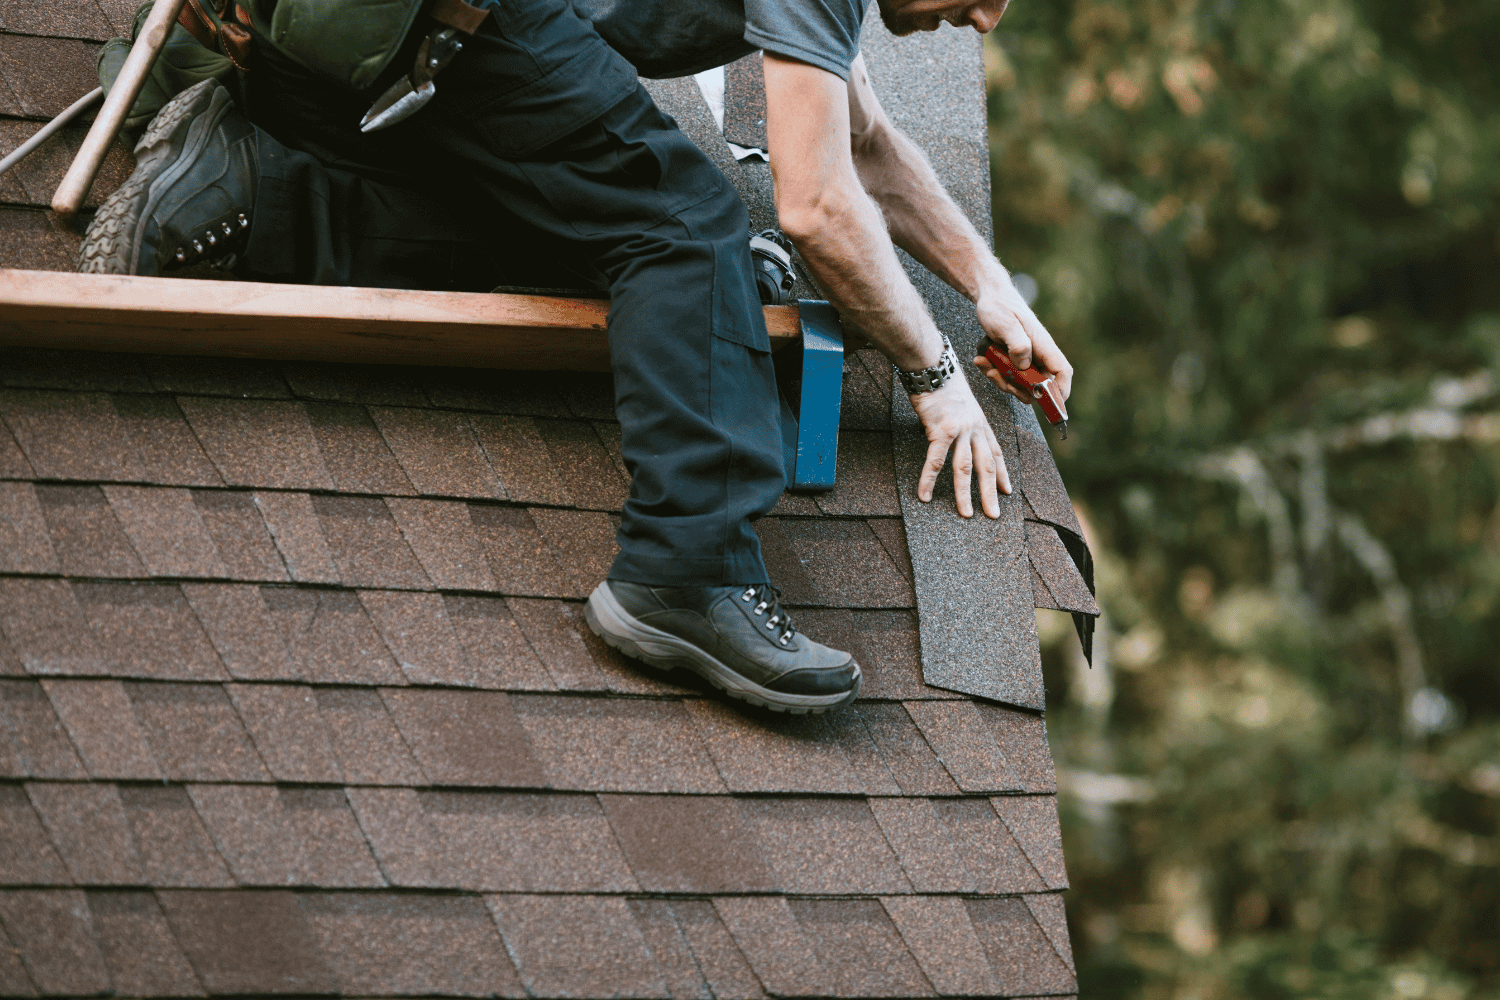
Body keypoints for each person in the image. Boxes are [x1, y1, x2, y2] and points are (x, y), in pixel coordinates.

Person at [79, 0, 1071, 714]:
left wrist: (985, 281)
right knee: (683, 231)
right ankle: (688, 572)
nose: (986, 20)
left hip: (340, 59)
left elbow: (865, 141)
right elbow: (814, 205)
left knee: (582, 240)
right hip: (456, 24)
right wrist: (935, 377)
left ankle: (252, 196)